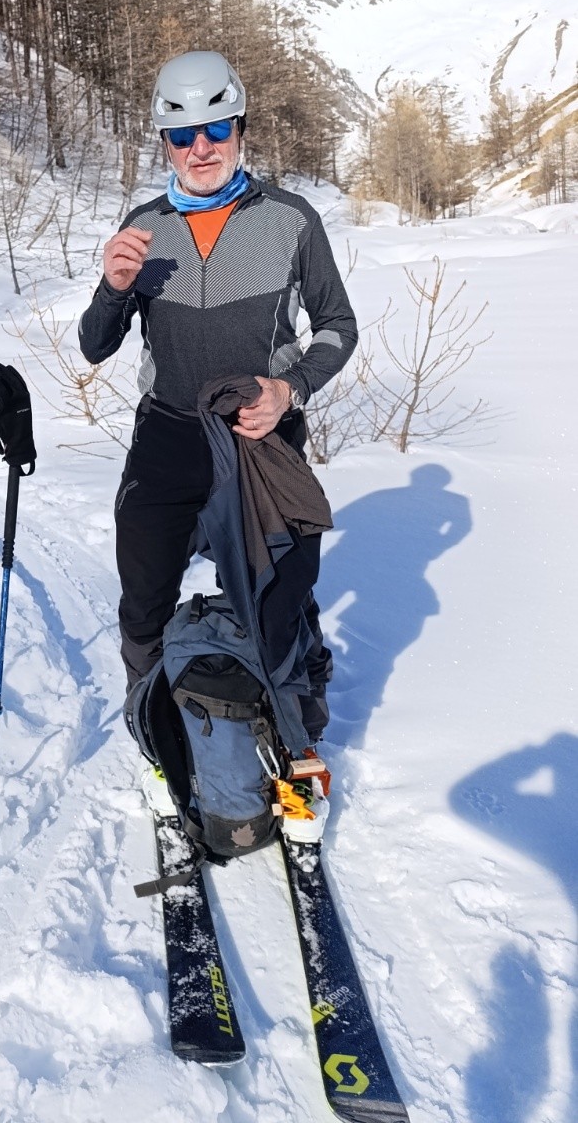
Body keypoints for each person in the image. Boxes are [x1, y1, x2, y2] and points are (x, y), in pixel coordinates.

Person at [78, 50, 358, 735]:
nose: (199, 148)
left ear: (239, 128)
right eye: (182, 135)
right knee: (142, 600)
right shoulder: (143, 225)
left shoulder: (290, 220)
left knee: (278, 597)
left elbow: (336, 327)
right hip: (167, 439)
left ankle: (295, 706)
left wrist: (288, 390)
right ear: (164, 141)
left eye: (215, 129)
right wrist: (114, 289)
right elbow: (93, 344)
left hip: (258, 440)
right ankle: (150, 715)